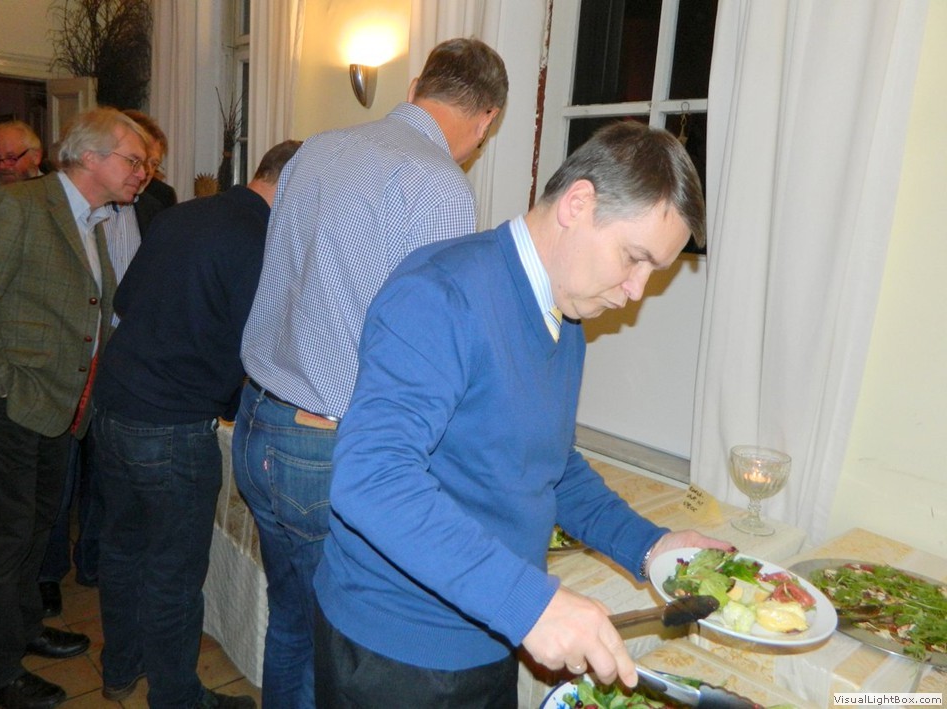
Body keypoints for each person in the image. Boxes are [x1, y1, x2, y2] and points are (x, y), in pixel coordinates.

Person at [312, 121, 728, 707]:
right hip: (398, 652)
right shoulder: (441, 293)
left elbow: (548, 464)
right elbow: (371, 478)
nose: (636, 291)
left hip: (487, 629)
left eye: (651, 273)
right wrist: (529, 603)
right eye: (634, 259)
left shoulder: (564, 315)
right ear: (578, 204)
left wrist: (650, 546)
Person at [235, 37, 508, 708]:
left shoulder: (315, 149)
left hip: (257, 418)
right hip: (326, 446)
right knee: (331, 643)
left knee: (290, 622)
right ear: (487, 120)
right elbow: (429, 342)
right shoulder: (441, 184)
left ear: (415, 87)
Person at [0, 106, 149, 709]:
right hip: (7, 405)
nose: (143, 171)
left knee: (33, 532)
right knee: (0, 544)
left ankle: (24, 626)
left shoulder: (92, 221)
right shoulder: (16, 206)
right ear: (90, 157)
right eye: (134, 160)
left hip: (59, 407)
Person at [91, 140, 301, 708]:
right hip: (172, 424)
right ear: (294, 184)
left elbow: (127, 300)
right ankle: (177, 697)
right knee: (174, 573)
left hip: (114, 404)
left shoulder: (181, 214)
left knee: (122, 550)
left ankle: (120, 667)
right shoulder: (261, 240)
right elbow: (261, 347)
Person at [37, 110, 173, 617]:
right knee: (59, 473)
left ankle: (92, 558)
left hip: (126, 357)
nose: (145, 173)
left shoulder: (159, 202)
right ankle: (47, 573)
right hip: (68, 359)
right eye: (137, 161)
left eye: (152, 163)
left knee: (106, 468)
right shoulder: (55, 206)